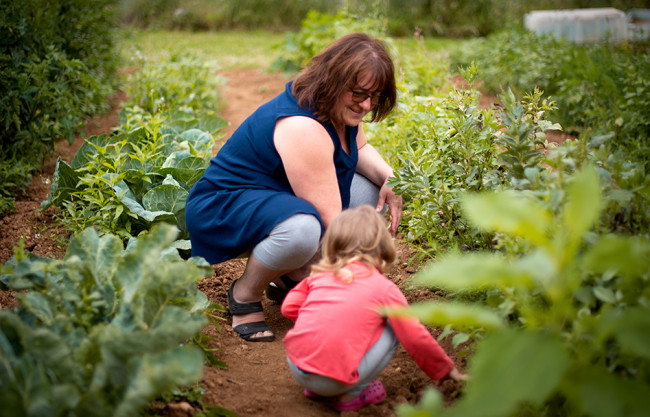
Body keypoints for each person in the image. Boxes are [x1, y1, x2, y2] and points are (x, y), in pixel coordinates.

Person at [185, 33, 403, 342]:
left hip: (276, 196)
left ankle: (288, 277)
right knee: (303, 231)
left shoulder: (341, 108)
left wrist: (390, 178)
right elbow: (335, 225)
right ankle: (246, 293)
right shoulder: (303, 126)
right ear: (334, 80)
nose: (366, 105)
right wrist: (367, 284)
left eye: (374, 96)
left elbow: (361, 149)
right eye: (358, 93)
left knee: (370, 192)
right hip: (225, 206)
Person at [281, 205, 467, 412]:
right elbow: (414, 336)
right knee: (394, 325)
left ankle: (318, 387)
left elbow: (289, 307)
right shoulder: (385, 288)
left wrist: (325, 320)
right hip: (336, 381)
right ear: (381, 247)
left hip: (297, 367)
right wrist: (443, 369)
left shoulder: (318, 276)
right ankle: (352, 394)